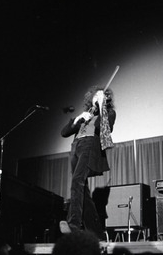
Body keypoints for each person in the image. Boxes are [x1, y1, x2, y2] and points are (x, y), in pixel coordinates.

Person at [59, 85, 116, 240]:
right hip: (75, 147)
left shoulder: (109, 113)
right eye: (95, 96)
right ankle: (96, 233)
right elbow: (64, 132)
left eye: (100, 96)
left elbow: (106, 128)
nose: (97, 98)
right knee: (82, 190)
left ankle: (73, 225)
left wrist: (103, 105)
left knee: (77, 181)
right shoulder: (85, 115)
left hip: (89, 145)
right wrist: (77, 119)